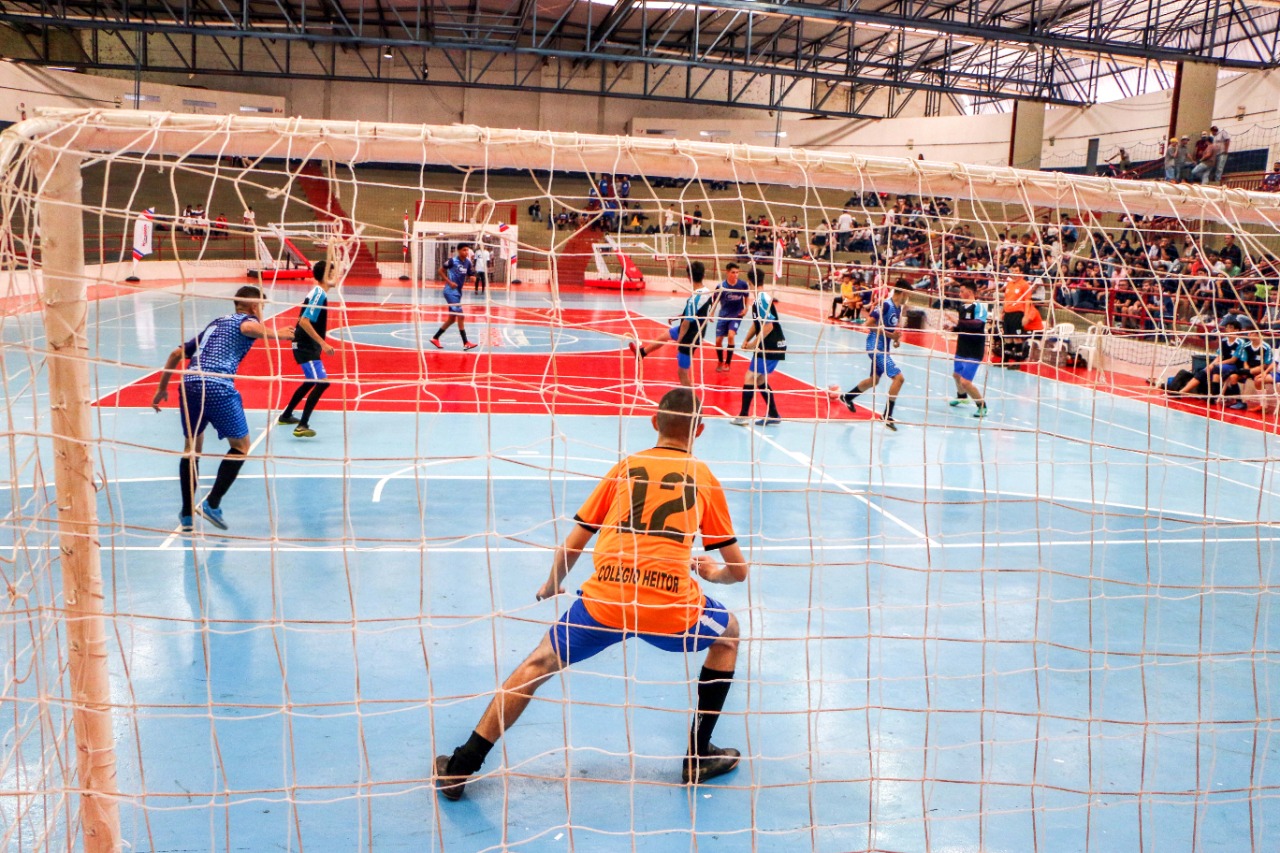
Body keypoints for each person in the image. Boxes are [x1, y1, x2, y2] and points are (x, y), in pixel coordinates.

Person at [434, 388, 750, 800]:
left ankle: (461, 767)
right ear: (701, 430)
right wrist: (713, 573)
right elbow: (739, 572)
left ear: (654, 422)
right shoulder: (705, 478)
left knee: (537, 664)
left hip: (605, 602)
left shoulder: (624, 468)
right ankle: (697, 755)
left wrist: (552, 584)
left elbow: (573, 543)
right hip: (672, 608)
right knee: (728, 634)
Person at [151, 285, 293, 532]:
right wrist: (278, 334)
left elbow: (176, 353)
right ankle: (212, 503)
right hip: (216, 385)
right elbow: (249, 328)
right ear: (252, 306)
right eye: (261, 306)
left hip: (189, 385)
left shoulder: (215, 324)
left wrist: (162, 388)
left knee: (191, 448)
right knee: (241, 446)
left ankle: (186, 514)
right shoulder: (246, 320)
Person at [828, 287, 909, 431]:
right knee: (899, 378)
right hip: (875, 346)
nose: (908, 298)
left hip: (884, 347)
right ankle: (887, 415)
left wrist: (896, 340)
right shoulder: (885, 305)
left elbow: (890, 332)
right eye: (907, 294)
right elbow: (869, 325)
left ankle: (848, 397)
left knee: (874, 380)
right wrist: (891, 336)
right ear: (902, 292)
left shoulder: (898, 309)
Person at [627, 261, 714, 387]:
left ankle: (692, 402)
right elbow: (700, 313)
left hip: (690, 336)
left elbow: (686, 323)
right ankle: (642, 353)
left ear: (688, 277)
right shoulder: (706, 292)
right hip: (698, 329)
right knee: (665, 335)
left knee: (682, 373)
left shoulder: (694, 298)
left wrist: (680, 340)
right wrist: (681, 316)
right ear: (704, 275)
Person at [277, 261, 335, 438]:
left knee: (311, 381)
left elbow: (302, 318)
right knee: (322, 382)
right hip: (306, 346)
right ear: (327, 275)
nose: (336, 276)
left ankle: (286, 415)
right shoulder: (318, 294)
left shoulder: (319, 293)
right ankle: (302, 425)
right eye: (333, 272)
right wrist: (323, 344)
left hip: (307, 344)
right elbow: (304, 321)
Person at [731, 290, 787, 426]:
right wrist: (746, 339)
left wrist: (752, 345)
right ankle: (773, 414)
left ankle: (743, 415)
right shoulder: (759, 299)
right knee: (760, 379)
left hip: (770, 345)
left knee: (750, 377)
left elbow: (768, 326)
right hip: (769, 345)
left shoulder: (761, 300)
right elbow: (757, 324)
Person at [945, 280, 990, 418]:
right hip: (962, 346)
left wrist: (956, 322)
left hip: (974, 348)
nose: (959, 294)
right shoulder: (962, 307)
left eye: (962, 291)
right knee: (956, 375)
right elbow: (964, 326)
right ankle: (962, 396)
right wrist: (954, 328)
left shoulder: (979, 306)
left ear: (969, 292)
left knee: (965, 381)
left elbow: (977, 325)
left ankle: (982, 405)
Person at [430, 244, 479, 350]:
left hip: (458, 292)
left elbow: (470, 274)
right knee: (461, 316)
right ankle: (466, 342)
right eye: (464, 250)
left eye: (467, 250)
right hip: (450, 291)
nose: (466, 252)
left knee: (452, 319)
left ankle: (435, 338)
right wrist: (449, 282)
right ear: (458, 251)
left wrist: (472, 277)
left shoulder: (468, 262)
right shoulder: (452, 261)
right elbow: (440, 271)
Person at [713, 263, 750, 373]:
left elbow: (747, 297)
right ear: (727, 272)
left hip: (736, 315)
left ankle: (727, 363)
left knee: (730, 335)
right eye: (733, 272)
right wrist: (711, 312)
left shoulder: (743, 285)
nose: (736, 275)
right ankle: (720, 361)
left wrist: (746, 308)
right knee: (718, 341)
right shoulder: (721, 286)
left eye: (737, 272)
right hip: (724, 315)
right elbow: (715, 300)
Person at [1227, 327, 1273, 410]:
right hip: (1248, 369)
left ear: (1258, 334)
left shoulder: (1266, 347)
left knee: (1257, 379)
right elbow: (1245, 361)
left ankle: (1263, 405)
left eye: (1252, 333)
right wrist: (1246, 371)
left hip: (1260, 369)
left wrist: (1250, 371)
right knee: (1233, 377)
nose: (1249, 335)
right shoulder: (1246, 346)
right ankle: (1239, 402)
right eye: (1249, 333)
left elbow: (1266, 364)